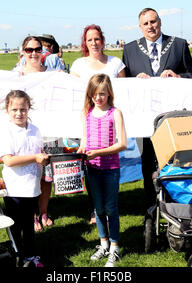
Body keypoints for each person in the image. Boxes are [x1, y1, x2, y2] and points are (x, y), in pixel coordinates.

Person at [122, 7, 192, 216]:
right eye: (145, 23)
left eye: (153, 22)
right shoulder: (130, 49)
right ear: (140, 27)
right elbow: (124, 83)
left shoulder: (179, 45)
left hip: (174, 118)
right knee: (148, 164)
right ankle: (151, 207)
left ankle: (176, 206)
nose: (150, 26)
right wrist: (134, 82)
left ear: (160, 22)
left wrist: (178, 76)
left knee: (175, 162)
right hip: (144, 119)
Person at [71, 24, 126, 224]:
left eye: (96, 39)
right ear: (84, 43)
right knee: (91, 164)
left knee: (110, 166)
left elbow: (128, 91)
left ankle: (108, 206)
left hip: (111, 123)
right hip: (89, 122)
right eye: (89, 40)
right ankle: (96, 208)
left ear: (102, 40)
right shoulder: (78, 65)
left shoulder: (116, 63)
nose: (93, 43)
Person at [77, 74, 127, 267]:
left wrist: (99, 152)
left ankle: (114, 247)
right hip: (92, 169)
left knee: (111, 208)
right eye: (94, 94)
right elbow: (84, 141)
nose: (98, 98)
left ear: (109, 94)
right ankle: (103, 243)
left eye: (102, 94)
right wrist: (82, 150)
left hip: (110, 168)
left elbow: (122, 144)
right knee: (98, 208)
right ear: (89, 95)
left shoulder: (115, 113)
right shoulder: (86, 113)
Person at [13, 36, 61, 232]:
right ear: (23, 51)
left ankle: (43, 212)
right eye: (29, 49)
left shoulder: (52, 74)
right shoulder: (15, 75)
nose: (33, 53)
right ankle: (32, 215)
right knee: (30, 175)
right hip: (26, 133)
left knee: (46, 177)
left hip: (50, 132)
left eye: (37, 49)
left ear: (43, 51)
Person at [0, 90, 48, 267]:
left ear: (29, 109)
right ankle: (18, 257)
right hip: (14, 188)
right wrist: (35, 158)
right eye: (15, 110)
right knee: (15, 226)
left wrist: (44, 158)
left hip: (32, 187)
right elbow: (8, 160)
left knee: (29, 225)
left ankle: (31, 257)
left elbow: (38, 153)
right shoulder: (6, 131)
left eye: (23, 109)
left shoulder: (35, 130)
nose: (19, 113)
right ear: (7, 110)